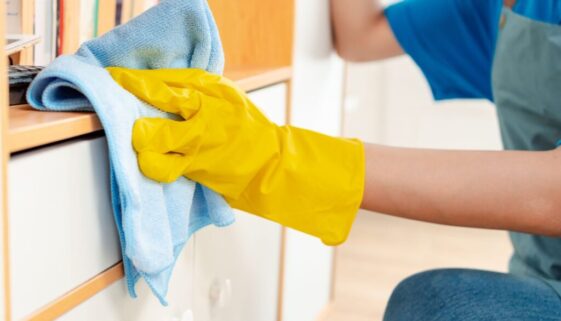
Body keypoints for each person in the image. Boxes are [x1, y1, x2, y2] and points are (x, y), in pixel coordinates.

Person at [107, 0, 561, 319]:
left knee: (439, 303)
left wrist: (280, 160)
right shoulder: (493, 8)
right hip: (541, 277)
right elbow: (360, 36)